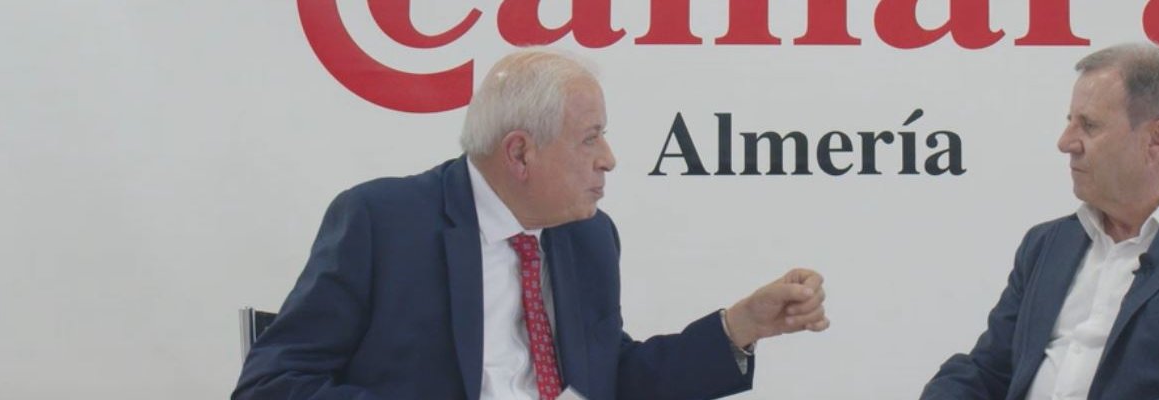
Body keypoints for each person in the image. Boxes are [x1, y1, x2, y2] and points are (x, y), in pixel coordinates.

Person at [234, 48, 830, 400]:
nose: (609, 159)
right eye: (590, 139)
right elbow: (272, 385)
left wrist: (739, 326)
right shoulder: (383, 221)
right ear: (520, 153)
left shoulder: (588, 235)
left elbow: (610, 378)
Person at [922, 43, 1159, 400]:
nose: (1065, 142)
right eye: (1069, 121)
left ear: (1157, 139)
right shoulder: (1046, 245)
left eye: (1088, 125)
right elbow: (986, 371)